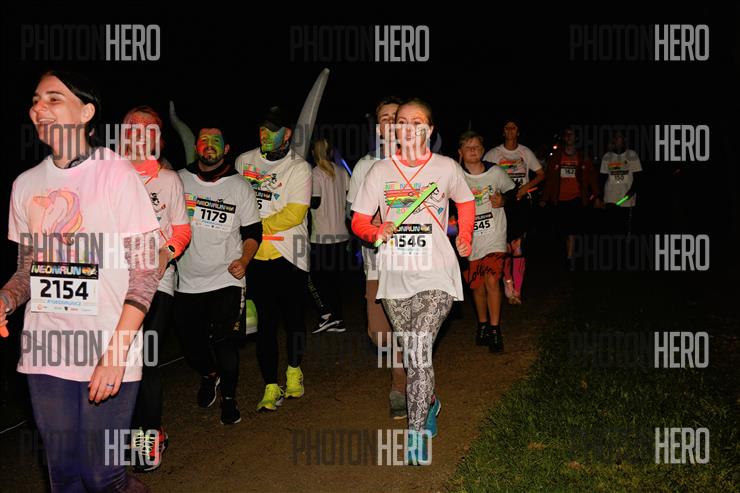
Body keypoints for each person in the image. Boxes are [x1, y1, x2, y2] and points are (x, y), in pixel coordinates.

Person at [0, 70, 157, 491]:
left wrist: (116, 352)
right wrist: (7, 299)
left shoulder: (116, 172)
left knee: (103, 475)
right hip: (45, 347)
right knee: (64, 475)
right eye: (36, 100)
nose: (39, 108)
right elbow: (27, 272)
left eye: (54, 98)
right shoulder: (25, 185)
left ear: (86, 112)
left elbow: (146, 270)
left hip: (108, 343)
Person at [351, 98, 474, 464]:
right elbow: (358, 220)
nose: (408, 127)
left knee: (418, 353)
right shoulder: (379, 172)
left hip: (437, 273)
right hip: (394, 278)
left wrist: (465, 234)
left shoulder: (446, 167)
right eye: (401, 121)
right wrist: (375, 232)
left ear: (429, 130)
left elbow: (466, 201)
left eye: (417, 121)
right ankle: (429, 401)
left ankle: (416, 434)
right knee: (414, 356)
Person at [121, 106, 191, 471]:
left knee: (146, 357)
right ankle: (127, 432)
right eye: (132, 128)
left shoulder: (168, 180)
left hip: (157, 280)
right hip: (115, 282)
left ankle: (150, 435)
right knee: (119, 359)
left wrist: (168, 252)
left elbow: (182, 229)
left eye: (147, 130)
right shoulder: (107, 177)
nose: (138, 135)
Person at [175, 126, 261, 425]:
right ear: (196, 148)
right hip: (186, 281)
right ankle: (210, 374)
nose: (209, 145)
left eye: (215, 141)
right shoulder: (178, 180)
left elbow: (253, 232)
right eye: (203, 141)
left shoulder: (240, 186)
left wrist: (244, 260)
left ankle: (229, 399)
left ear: (226, 149)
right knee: (192, 346)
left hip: (227, 278)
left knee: (225, 342)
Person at [235, 106, 312, 411]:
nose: (265, 134)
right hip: (254, 257)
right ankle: (270, 385)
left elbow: (294, 214)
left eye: (273, 130)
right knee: (264, 324)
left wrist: (253, 228)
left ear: (287, 134)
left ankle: (294, 370)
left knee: (293, 320)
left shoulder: (299, 168)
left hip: (289, 255)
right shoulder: (244, 161)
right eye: (262, 129)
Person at [346, 96, 408, 419]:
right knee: (380, 333)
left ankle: (401, 385)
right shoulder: (364, 166)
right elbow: (353, 215)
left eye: (397, 116)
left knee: (409, 325)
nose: (391, 122)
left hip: (412, 261)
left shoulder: (419, 162)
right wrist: (374, 225)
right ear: (378, 126)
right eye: (385, 117)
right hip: (376, 262)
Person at [458, 131, 515, 352]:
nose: (473, 150)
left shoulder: (496, 172)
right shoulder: (456, 176)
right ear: (460, 152)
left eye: (477, 147)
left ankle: (495, 329)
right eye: (468, 147)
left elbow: (514, 193)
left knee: (493, 279)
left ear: (483, 150)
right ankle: (482, 325)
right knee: (477, 285)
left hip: (494, 235)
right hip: (470, 238)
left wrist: (504, 200)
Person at [483, 121, 544, 304]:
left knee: (517, 247)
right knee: (505, 248)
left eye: (514, 127)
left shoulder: (525, 152)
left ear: (518, 132)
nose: (510, 130)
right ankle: (507, 280)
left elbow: (541, 174)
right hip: (502, 205)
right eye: (507, 127)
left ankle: (517, 290)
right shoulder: (493, 153)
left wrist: (525, 188)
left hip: (521, 204)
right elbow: (482, 176)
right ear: (503, 132)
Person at [541, 126, 601, 262]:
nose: (569, 137)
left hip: (576, 198)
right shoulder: (557, 156)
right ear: (564, 137)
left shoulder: (582, 156)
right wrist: (544, 198)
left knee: (572, 230)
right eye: (566, 134)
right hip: (559, 199)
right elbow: (550, 178)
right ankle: (566, 252)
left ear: (576, 138)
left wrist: (597, 196)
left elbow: (592, 177)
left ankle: (569, 257)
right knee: (562, 230)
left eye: (571, 134)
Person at [309, 138, 350, 333]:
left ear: (313, 153)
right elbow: (349, 198)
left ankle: (327, 316)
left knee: (319, 280)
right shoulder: (342, 171)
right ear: (330, 152)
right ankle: (338, 319)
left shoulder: (315, 173)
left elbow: (315, 202)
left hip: (322, 235)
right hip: (341, 234)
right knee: (335, 280)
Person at [600, 130, 642, 234]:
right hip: (610, 198)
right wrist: (600, 197)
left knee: (624, 229)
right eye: (615, 137)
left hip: (626, 198)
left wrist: (632, 191)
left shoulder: (632, 155)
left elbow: (638, 177)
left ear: (624, 139)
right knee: (611, 228)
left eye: (619, 136)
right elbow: (602, 178)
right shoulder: (607, 156)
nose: (616, 139)